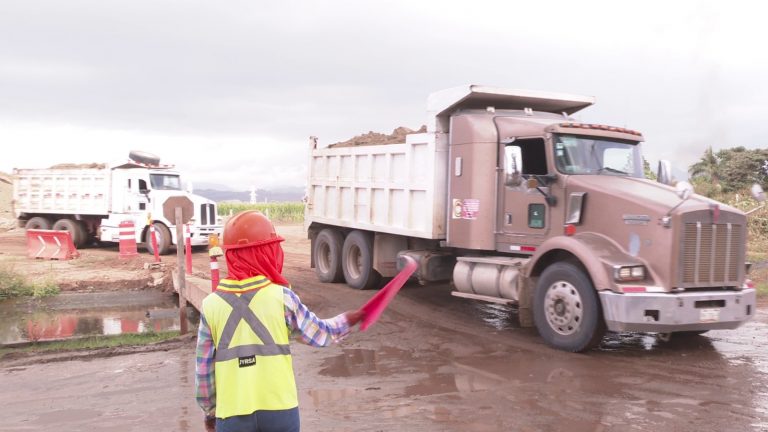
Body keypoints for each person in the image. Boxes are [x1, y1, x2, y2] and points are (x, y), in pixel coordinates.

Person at [195, 210, 363, 432]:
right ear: (267, 252)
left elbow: (204, 371)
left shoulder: (211, 305)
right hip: (280, 411)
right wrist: (347, 320)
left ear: (231, 255)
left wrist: (210, 413)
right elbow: (319, 333)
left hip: (232, 414)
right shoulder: (282, 298)